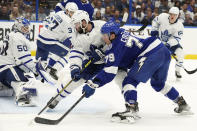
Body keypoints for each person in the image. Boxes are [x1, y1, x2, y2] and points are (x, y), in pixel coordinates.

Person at [81, 21, 191, 124]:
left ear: (112, 35)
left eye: (105, 35)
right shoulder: (122, 32)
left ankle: (131, 109)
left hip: (150, 53)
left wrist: (93, 84)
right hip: (162, 50)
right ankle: (182, 103)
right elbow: (124, 55)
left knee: (129, 81)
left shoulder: (115, 48)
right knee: (158, 84)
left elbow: (109, 72)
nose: (103, 37)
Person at [47, 12, 107, 109]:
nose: (75, 27)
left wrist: (104, 52)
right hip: (93, 63)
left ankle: (130, 104)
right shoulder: (76, 36)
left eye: (77, 24)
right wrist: (75, 67)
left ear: (84, 22)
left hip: (111, 60)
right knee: (75, 80)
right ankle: (56, 98)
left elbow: (115, 42)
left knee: (121, 77)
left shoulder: (101, 26)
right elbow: (76, 52)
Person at [0, 17, 40, 106]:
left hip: (3, 68)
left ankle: (3, 87)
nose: (27, 30)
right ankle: (24, 97)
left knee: (11, 89)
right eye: (24, 27)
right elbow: (23, 58)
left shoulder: (11, 35)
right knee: (25, 82)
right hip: (7, 68)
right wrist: (35, 70)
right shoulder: (18, 37)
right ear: (17, 27)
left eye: (27, 27)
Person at [35, 7, 79, 81]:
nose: (73, 14)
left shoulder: (59, 13)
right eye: (72, 12)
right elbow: (72, 38)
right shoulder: (68, 22)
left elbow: (45, 21)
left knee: (41, 63)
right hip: (48, 42)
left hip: (40, 38)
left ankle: (39, 76)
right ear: (67, 11)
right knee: (70, 53)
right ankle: (54, 69)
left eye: (74, 13)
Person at [151, 7, 184, 81]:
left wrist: (168, 44)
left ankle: (177, 71)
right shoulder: (163, 16)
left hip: (172, 44)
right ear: (169, 14)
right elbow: (155, 21)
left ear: (178, 16)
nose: (172, 16)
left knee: (180, 53)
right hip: (160, 41)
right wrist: (154, 30)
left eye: (175, 15)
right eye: (171, 14)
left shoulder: (180, 26)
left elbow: (176, 39)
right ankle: (153, 71)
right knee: (157, 57)